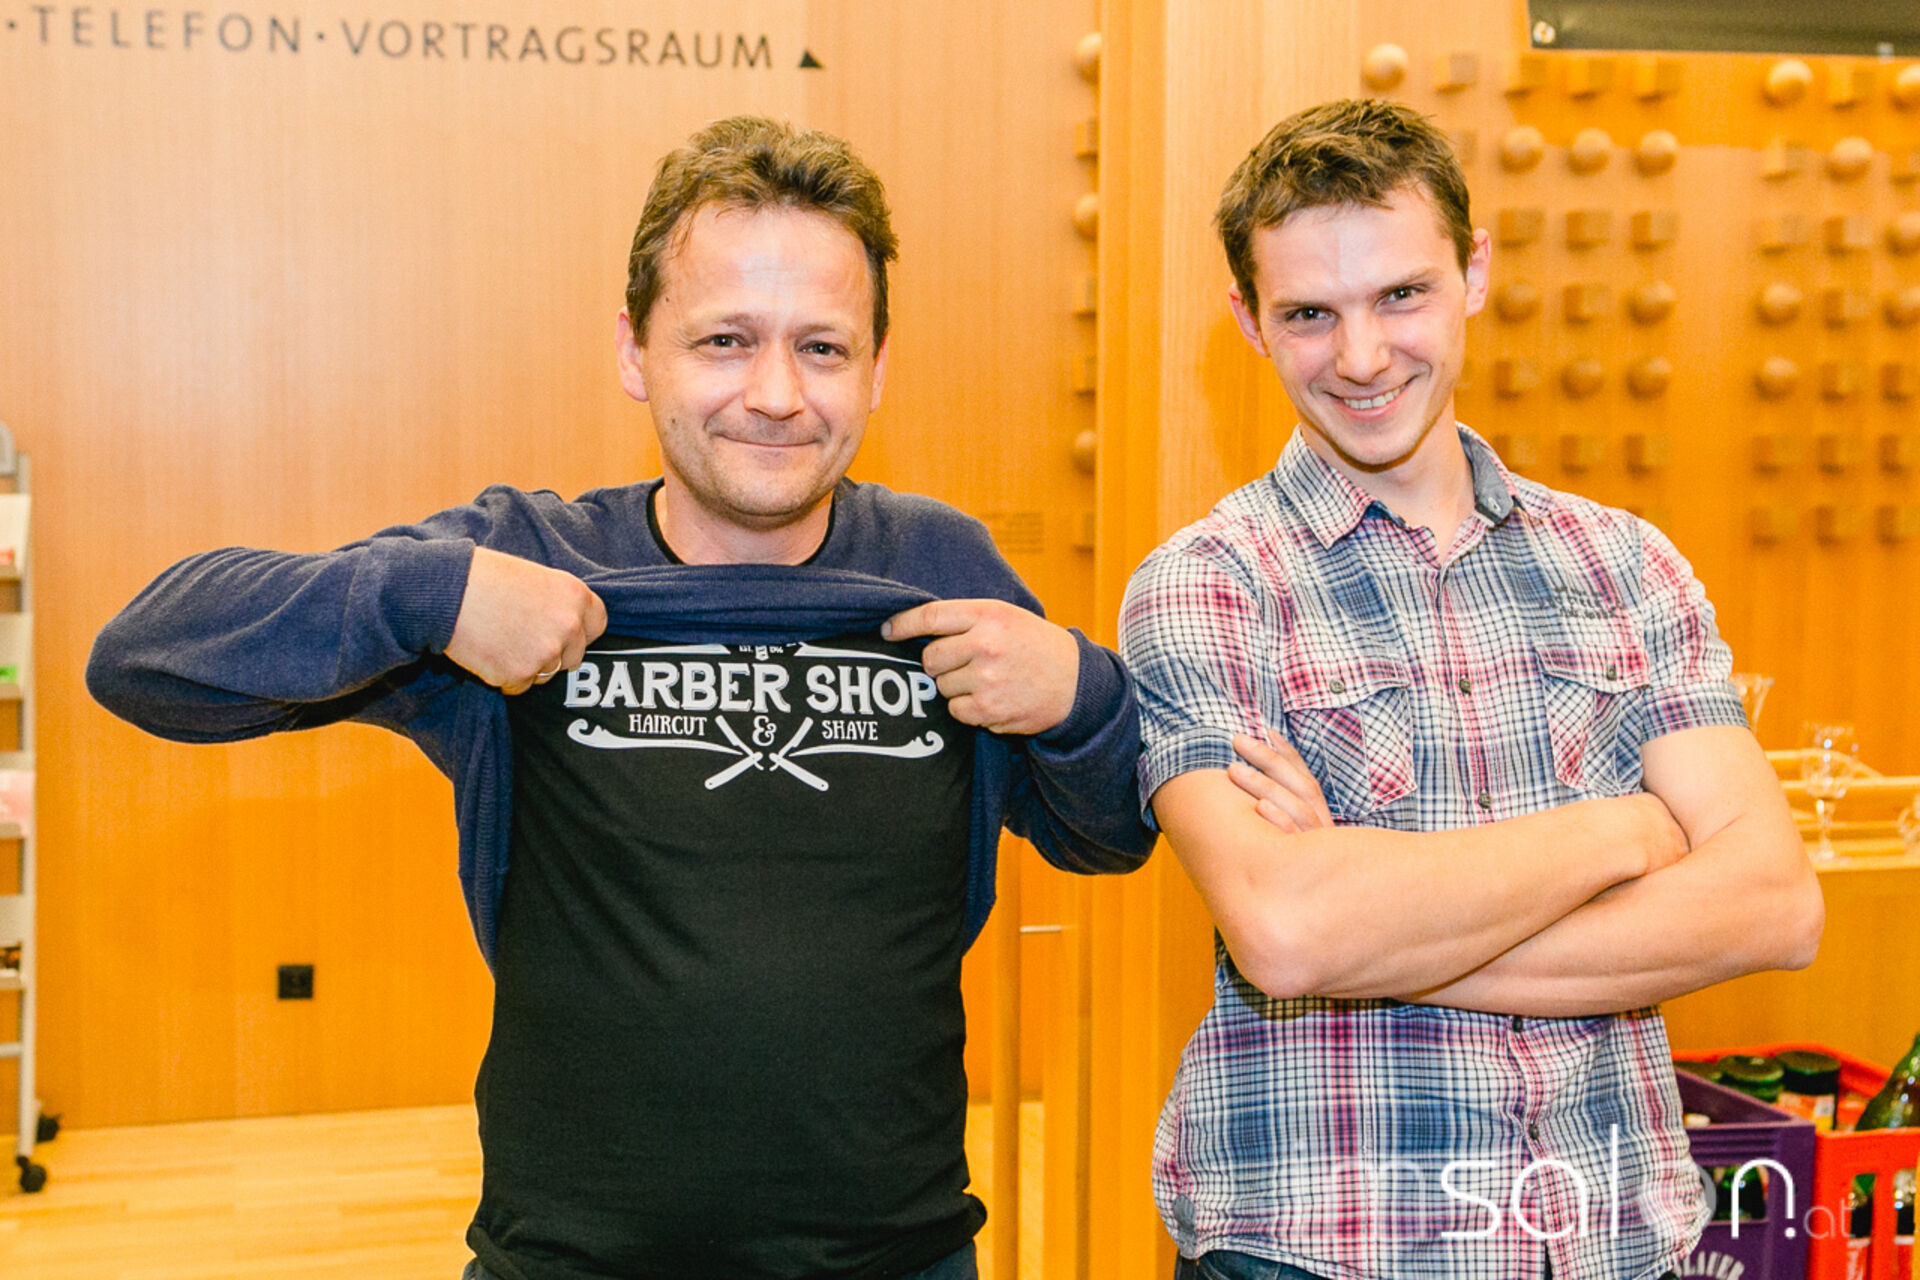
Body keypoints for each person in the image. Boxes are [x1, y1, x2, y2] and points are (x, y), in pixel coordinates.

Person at [88, 116, 1153, 1280]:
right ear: (636, 350)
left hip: (900, 1255)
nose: (776, 393)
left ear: (878, 367)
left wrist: (1081, 695)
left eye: (823, 347)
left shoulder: (940, 567)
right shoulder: (527, 561)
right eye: (725, 340)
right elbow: (144, 658)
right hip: (566, 1259)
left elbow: (1107, 834)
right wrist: (431, 593)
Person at [1118, 98, 1823, 1280]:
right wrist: (1626, 831)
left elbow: (1773, 904)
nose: (1361, 356)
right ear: (1248, 320)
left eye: (1401, 294)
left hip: (1609, 1237)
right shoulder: (1207, 583)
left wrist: (1377, 925)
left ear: (1474, 273)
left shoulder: (1625, 562)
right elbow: (1287, 933)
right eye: (1309, 313)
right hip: (1321, 1247)